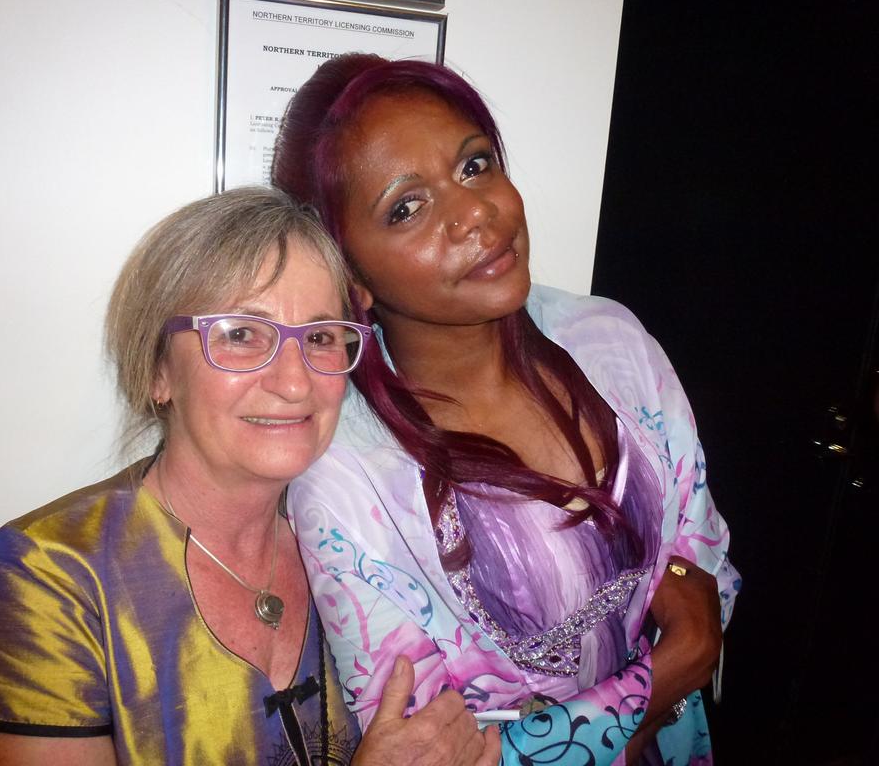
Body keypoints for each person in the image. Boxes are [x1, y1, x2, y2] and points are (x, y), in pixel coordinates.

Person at [272, 54, 740, 765]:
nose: (475, 214)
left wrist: (685, 635)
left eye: (474, 165)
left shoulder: (610, 340)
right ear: (352, 276)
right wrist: (659, 680)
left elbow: (703, 559)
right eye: (406, 207)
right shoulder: (349, 478)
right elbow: (433, 749)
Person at [0, 187, 501, 765]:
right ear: (158, 371)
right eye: (240, 334)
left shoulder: (361, 543)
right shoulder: (49, 579)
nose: (295, 382)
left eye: (321, 337)